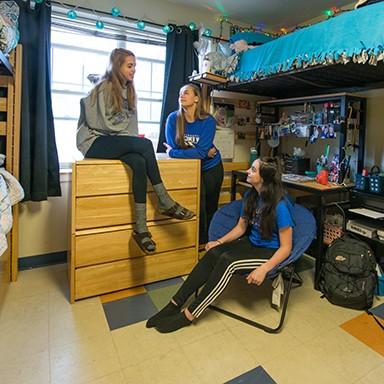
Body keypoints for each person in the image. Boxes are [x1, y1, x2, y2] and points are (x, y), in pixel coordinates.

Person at [146, 157, 294, 333]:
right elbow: (240, 228)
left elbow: (286, 247)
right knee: (214, 253)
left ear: (265, 178)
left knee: (228, 261)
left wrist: (264, 269)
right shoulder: (250, 196)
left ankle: (189, 314)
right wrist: (219, 242)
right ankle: (174, 304)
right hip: (251, 243)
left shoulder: (280, 206)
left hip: (270, 251)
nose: (248, 171)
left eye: (253, 170)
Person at [76, 48, 194, 254]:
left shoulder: (129, 90)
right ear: (117, 66)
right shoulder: (103, 87)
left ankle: (141, 229)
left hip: (113, 141)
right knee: (146, 145)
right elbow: (99, 123)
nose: (134, 70)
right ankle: (165, 201)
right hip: (94, 141)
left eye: (135, 66)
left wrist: (130, 140)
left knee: (139, 162)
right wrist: (130, 141)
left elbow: (130, 127)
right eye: (130, 66)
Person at [164, 84, 224, 244]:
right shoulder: (173, 119)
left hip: (211, 168)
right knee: (197, 206)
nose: (181, 96)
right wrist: (198, 152)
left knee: (209, 208)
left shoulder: (208, 121)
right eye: (180, 94)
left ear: (196, 98)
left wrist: (173, 152)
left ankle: (208, 242)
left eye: (186, 93)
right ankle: (195, 243)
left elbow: (200, 153)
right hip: (190, 170)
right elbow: (198, 151)